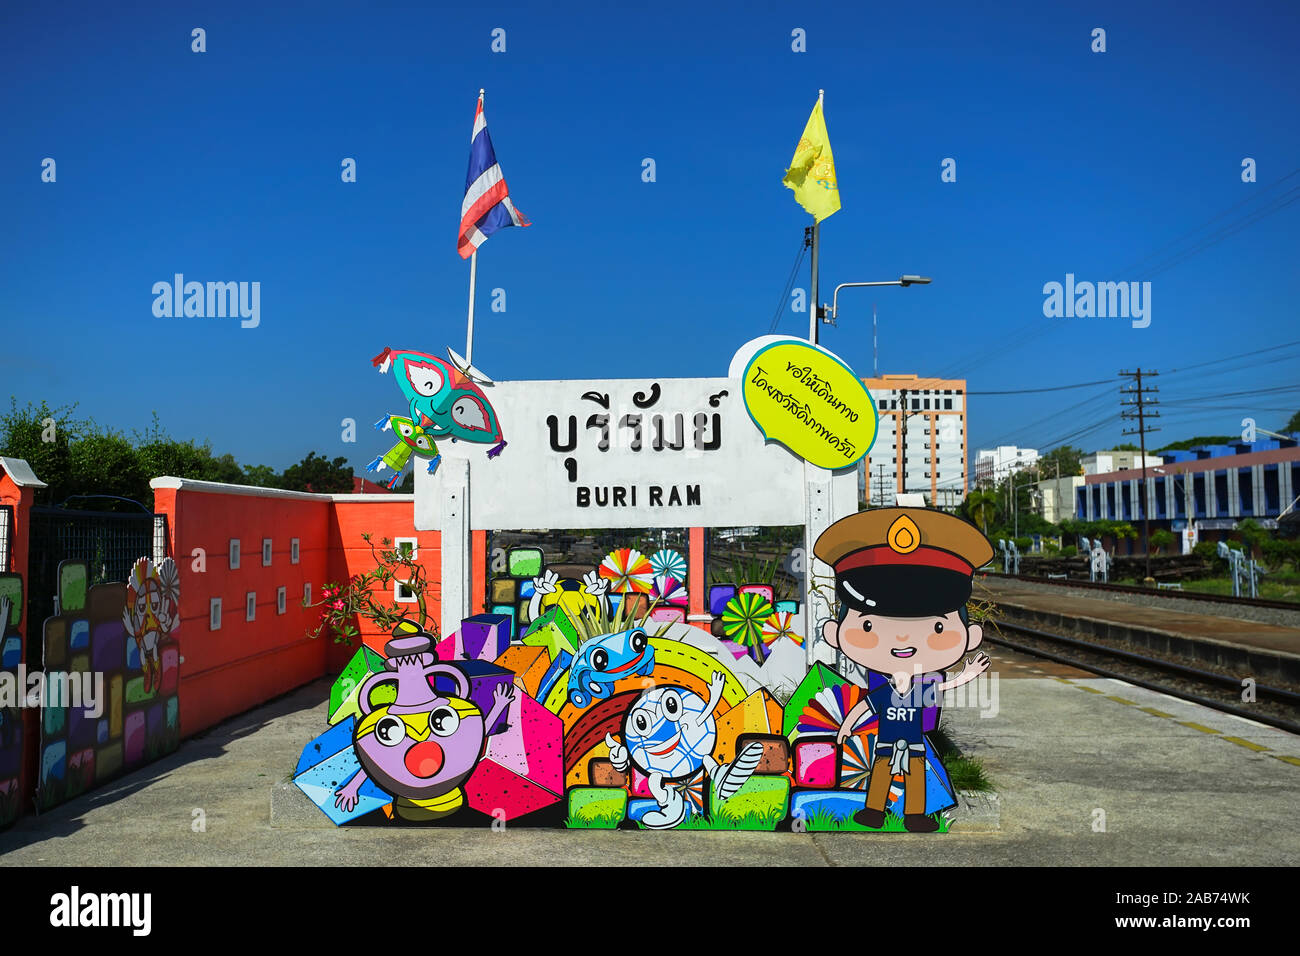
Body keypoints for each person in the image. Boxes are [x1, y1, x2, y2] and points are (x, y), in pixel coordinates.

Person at [814, 507, 993, 832]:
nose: (900, 639)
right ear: (834, 634)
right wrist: (845, 727)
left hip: (912, 745)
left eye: (937, 627)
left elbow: (941, 688)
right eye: (869, 625)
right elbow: (863, 708)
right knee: (881, 774)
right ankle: (875, 811)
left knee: (914, 777)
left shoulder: (917, 686)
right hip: (886, 745)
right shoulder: (886, 691)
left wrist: (965, 676)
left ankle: (914, 815)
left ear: (971, 637)